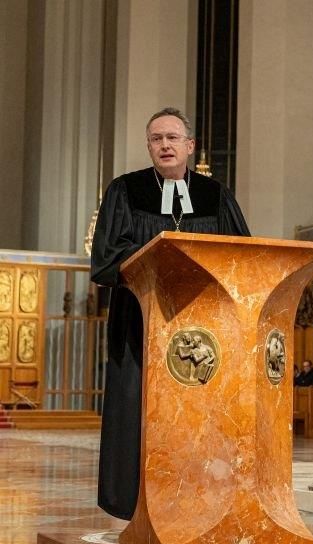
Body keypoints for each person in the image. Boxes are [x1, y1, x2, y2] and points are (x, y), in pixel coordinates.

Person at [90, 107, 250, 520]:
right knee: (139, 406)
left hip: (204, 326)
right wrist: (156, 263)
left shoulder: (216, 196)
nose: (164, 145)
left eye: (172, 138)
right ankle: (136, 500)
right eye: (156, 138)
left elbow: (242, 257)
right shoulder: (126, 191)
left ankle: (204, 494)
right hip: (141, 324)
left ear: (190, 146)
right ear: (148, 146)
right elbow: (106, 258)